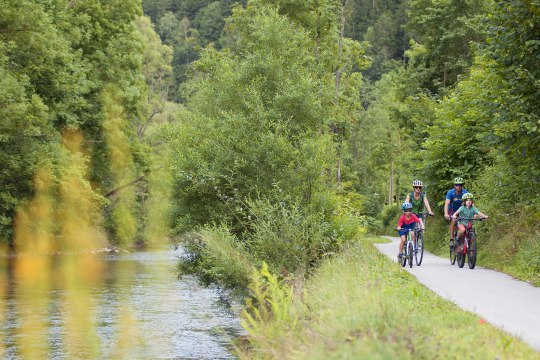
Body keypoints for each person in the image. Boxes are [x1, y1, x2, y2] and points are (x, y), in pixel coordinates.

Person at [444, 177, 468, 248]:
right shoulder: (450, 192)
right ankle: (451, 240)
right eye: (457, 185)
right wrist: (446, 213)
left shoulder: (465, 192)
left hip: (462, 211)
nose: (459, 186)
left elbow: (471, 203)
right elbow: (447, 203)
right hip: (452, 210)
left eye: (460, 185)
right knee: (454, 220)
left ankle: (465, 238)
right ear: (454, 185)